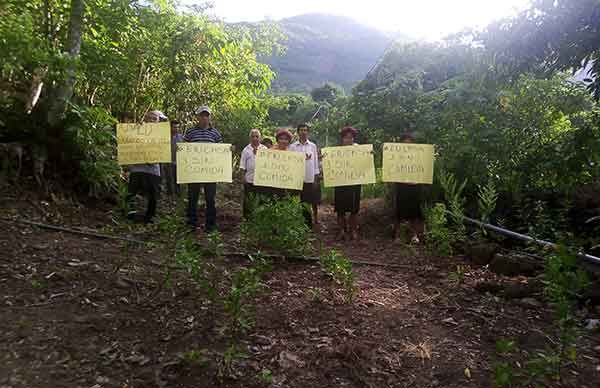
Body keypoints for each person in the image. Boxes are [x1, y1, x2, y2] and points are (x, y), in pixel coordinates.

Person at [184, 106, 223, 232]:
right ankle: (191, 223)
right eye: (202, 115)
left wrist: (228, 150)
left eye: (207, 115)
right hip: (194, 171)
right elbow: (184, 150)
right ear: (197, 117)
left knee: (210, 198)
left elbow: (221, 151)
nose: (204, 118)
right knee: (192, 197)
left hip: (210, 172)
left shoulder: (215, 133)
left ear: (209, 117)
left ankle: (210, 225)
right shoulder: (190, 132)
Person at [125, 110, 165, 224]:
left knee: (153, 194)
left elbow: (164, 150)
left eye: (155, 119)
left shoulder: (162, 133)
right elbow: (128, 142)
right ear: (146, 118)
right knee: (131, 192)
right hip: (137, 167)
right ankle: (130, 214)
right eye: (151, 118)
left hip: (153, 169)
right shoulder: (138, 129)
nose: (153, 120)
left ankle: (150, 216)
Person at [392, 132, 423, 243]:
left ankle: (414, 235)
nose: (407, 146)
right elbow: (391, 168)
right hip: (401, 187)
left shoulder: (419, 155)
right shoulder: (396, 155)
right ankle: (397, 236)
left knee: (414, 211)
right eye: (405, 143)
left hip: (415, 187)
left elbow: (423, 169)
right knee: (399, 212)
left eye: (409, 143)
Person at [333, 126, 361, 241]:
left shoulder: (359, 149)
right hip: (340, 184)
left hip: (354, 183)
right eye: (346, 137)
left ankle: (353, 230)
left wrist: (369, 155)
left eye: (351, 137)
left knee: (354, 210)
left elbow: (365, 163)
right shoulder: (336, 151)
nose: (348, 140)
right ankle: (341, 230)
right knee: (340, 209)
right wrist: (324, 158)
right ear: (342, 139)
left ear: (353, 139)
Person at [290, 123, 320, 226]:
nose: (303, 132)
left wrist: (316, 178)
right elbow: (289, 162)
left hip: (309, 179)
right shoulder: (292, 147)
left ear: (308, 132)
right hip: (296, 179)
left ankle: (307, 225)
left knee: (307, 202)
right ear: (298, 132)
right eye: (301, 130)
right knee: (296, 201)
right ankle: (296, 224)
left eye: (305, 130)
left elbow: (315, 163)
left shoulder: (312, 146)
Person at [240, 128, 267, 218]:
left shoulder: (264, 148)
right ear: (250, 138)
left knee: (260, 200)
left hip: (261, 180)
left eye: (257, 136)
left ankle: (259, 220)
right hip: (249, 180)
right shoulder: (246, 150)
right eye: (253, 136)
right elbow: (242, 166)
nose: (255, 138)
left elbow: (268, 164)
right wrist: (243, 178)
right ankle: (247, 220)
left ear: (260, 138)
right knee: (248, 201)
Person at [162, 120, 183, 197]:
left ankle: (178, 192)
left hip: (177, 161)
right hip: (168, 160)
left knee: (177, 178)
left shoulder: (181, 137)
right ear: (170, 127)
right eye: (174, 127)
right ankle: (169, 192)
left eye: (178, 127)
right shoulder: (165, 136)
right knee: (169, 177)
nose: (176, 129)